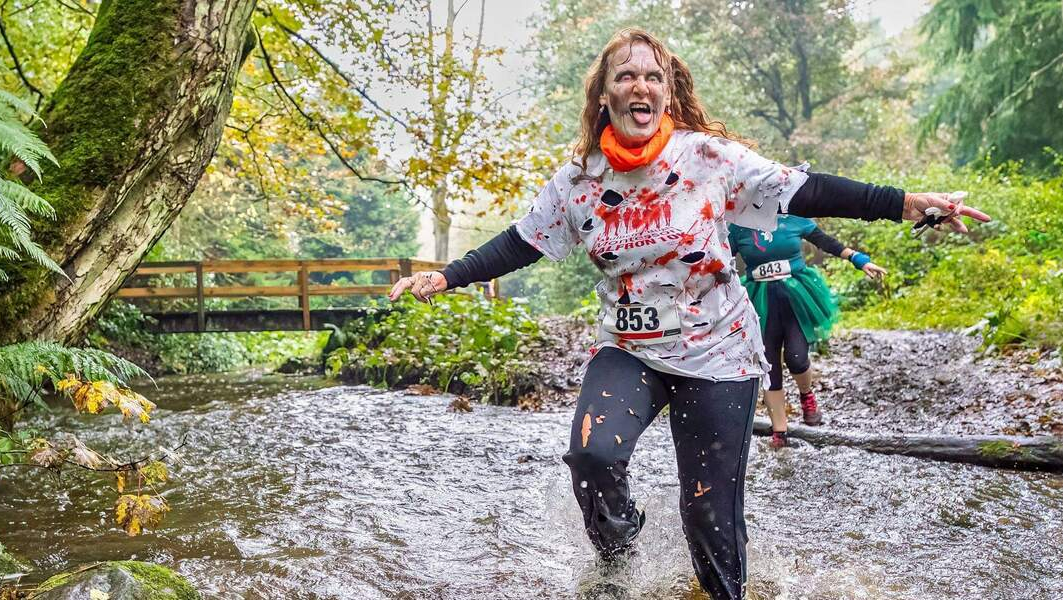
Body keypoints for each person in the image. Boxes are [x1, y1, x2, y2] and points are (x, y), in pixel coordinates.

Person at [388, 28, 989, 600]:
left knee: (707, 515)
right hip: (630, 350)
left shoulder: (707, 158)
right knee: (593, 458)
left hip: (719, 354)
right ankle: (619, 568)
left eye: (653, 76)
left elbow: (804, 190)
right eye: (626, 76)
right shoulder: (579, 181)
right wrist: (448, 276)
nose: (640, 87)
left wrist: (906, 204)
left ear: (668, 91)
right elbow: (523, 241)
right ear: (605, 93)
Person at [728, 215, 887, 448]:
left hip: (796, 297)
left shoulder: (793, 218)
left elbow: (826, 242)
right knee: (768, 367)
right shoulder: (739, 227)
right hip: (758, 301)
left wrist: (859, 259)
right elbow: (718, 259)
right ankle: (779, 433)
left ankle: (806, 395)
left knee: (797, 358)